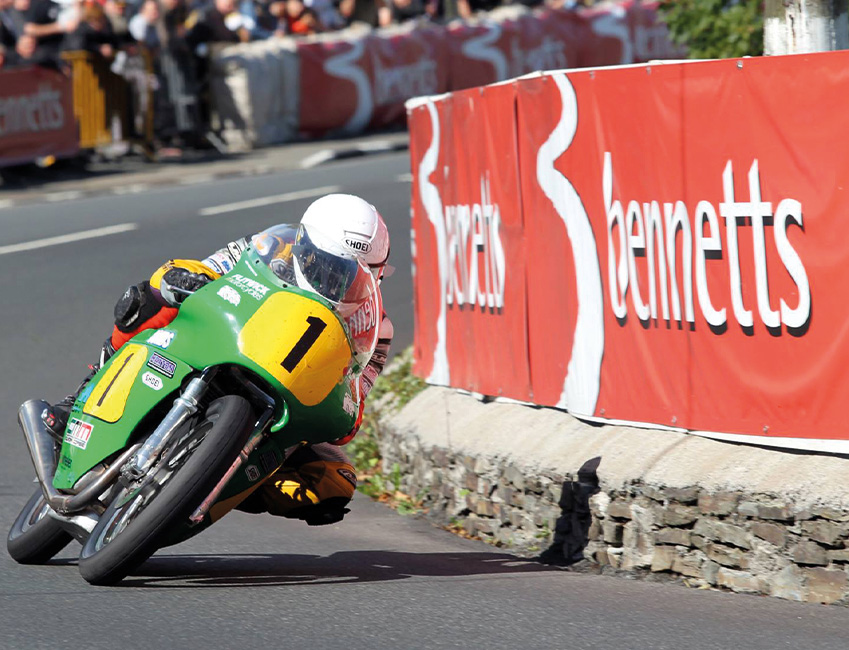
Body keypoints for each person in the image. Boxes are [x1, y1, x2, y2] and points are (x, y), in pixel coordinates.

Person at [43, 193, 393, 527]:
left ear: (377, 274)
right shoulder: (273, 246)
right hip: (226, 339)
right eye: (330, 263)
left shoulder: (376, 329)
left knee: (335, 481)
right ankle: (84, 393)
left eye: (357, 271)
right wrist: (183, 280)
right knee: (151, 292)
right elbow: (212, 268)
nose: (338, 279)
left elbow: (356, 395)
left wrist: (343, 409)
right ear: (306, 244)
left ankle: (215, 478)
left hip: (289, 396)